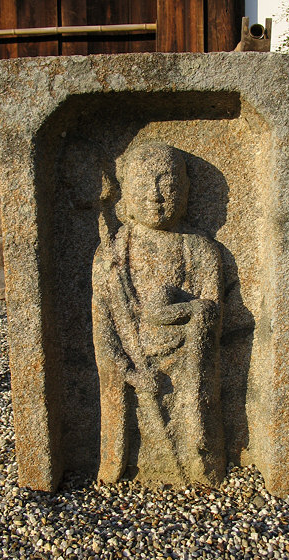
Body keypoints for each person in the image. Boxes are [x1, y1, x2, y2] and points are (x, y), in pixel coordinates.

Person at [92, 140, 225, 485]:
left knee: (193, 429)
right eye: (143, 183)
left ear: (184, 190)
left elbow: (213, 316)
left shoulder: (201, 250)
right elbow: (103, 328)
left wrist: (176, 313)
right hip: (138, 373)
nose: (155, 194)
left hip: (186, 372)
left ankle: (199, 466)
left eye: (166, 182)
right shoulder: (111, 256)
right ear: (126, 193)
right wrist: (130, 373)